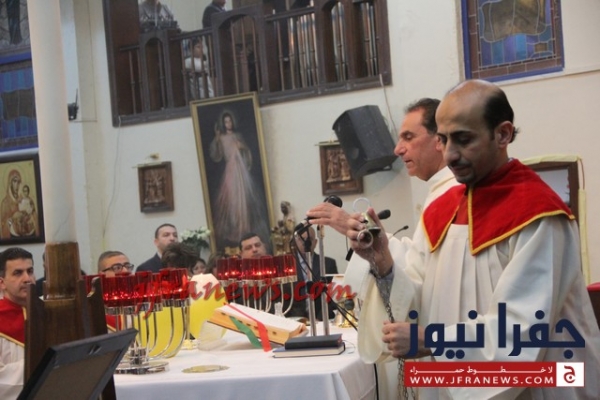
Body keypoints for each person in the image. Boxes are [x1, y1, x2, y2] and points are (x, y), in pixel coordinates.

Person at [314, 80, 600, 398]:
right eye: (443, 139)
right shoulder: (441, 210)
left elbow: (522, 328)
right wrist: (382, 261)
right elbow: (420, 300)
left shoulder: (537, 213)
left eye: (463, 139)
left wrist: (433, 340)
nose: (450, 154)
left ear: (503, 134)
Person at [209, 111, 271, 251]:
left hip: (241, 170)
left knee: (244, 200)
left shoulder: (238, 136)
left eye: (230, 121)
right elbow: (217, 155)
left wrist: (242, 148)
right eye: (226, 122)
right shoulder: (221, 138)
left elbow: (246, 152)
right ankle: (236, 230)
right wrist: (217, 138)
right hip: (231, 171)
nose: (228, 124)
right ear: (223, 124)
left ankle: (244, 228)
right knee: (233, 202)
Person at [0, 247, 35, 400]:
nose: (27, 278)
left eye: (30, 271)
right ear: (2, 283)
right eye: (18, 273)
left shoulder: (48, 313)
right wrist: (42, 365)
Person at [287, 226, 338, 321]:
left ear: (315, 242)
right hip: (296, 320)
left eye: (309, 239)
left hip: (322, 319)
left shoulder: (328, 264)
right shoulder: (287, 265)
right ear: (295, 242)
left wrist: (320, 318)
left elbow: (332, 296)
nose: (305, 242)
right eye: (301, 239)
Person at [1, 170, 21, 239]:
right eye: (14, 181)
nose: (17, 185)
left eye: (19, 182)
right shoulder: (5, 203)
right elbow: (3, 227)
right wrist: (13, 218)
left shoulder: (22, 200)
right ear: (10, 183)